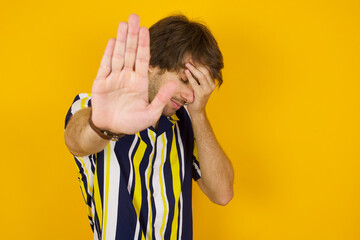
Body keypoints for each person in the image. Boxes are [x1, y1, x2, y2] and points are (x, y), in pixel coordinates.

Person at [64, 14, 234, 240]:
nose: (190, 96)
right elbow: (76, 141)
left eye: (198, 86)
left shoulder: (187, 123)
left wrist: (199, 113)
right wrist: (104, 125)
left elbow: (222, 193)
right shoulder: (97, 109)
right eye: (185, 80)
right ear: (152, 63)